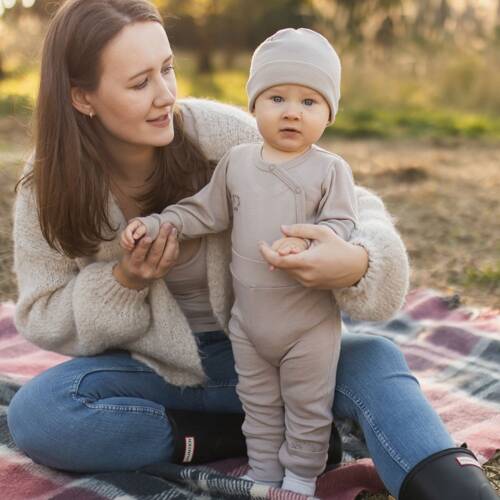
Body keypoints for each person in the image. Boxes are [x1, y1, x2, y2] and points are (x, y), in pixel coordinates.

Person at [6, 1, 497, 499]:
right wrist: (124, 283)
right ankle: (249, 436)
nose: (165, 95)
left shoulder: (216, 136)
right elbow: (43, 315)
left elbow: (359, 208)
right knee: (41, 412)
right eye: (139, 83)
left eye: (168, 69)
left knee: (374, 359)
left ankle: (461, 493)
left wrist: (358, 263)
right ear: (82, 97)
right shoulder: (46, 188)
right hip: (161, 375)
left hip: (284, 350)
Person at [121, 28, 358, 496]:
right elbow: (204, 212)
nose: (291, 111)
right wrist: (156, 224)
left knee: (307, 405)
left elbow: (343, 227)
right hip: (247, 322)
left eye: (310, 102)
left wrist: (313, 244)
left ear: (329, 113)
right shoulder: (238, 163)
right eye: (276, 97)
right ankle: (266, 470)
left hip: (307, 322)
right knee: (258, 402)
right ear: (254, 106)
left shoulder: (330, 170)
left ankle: (302, 477)